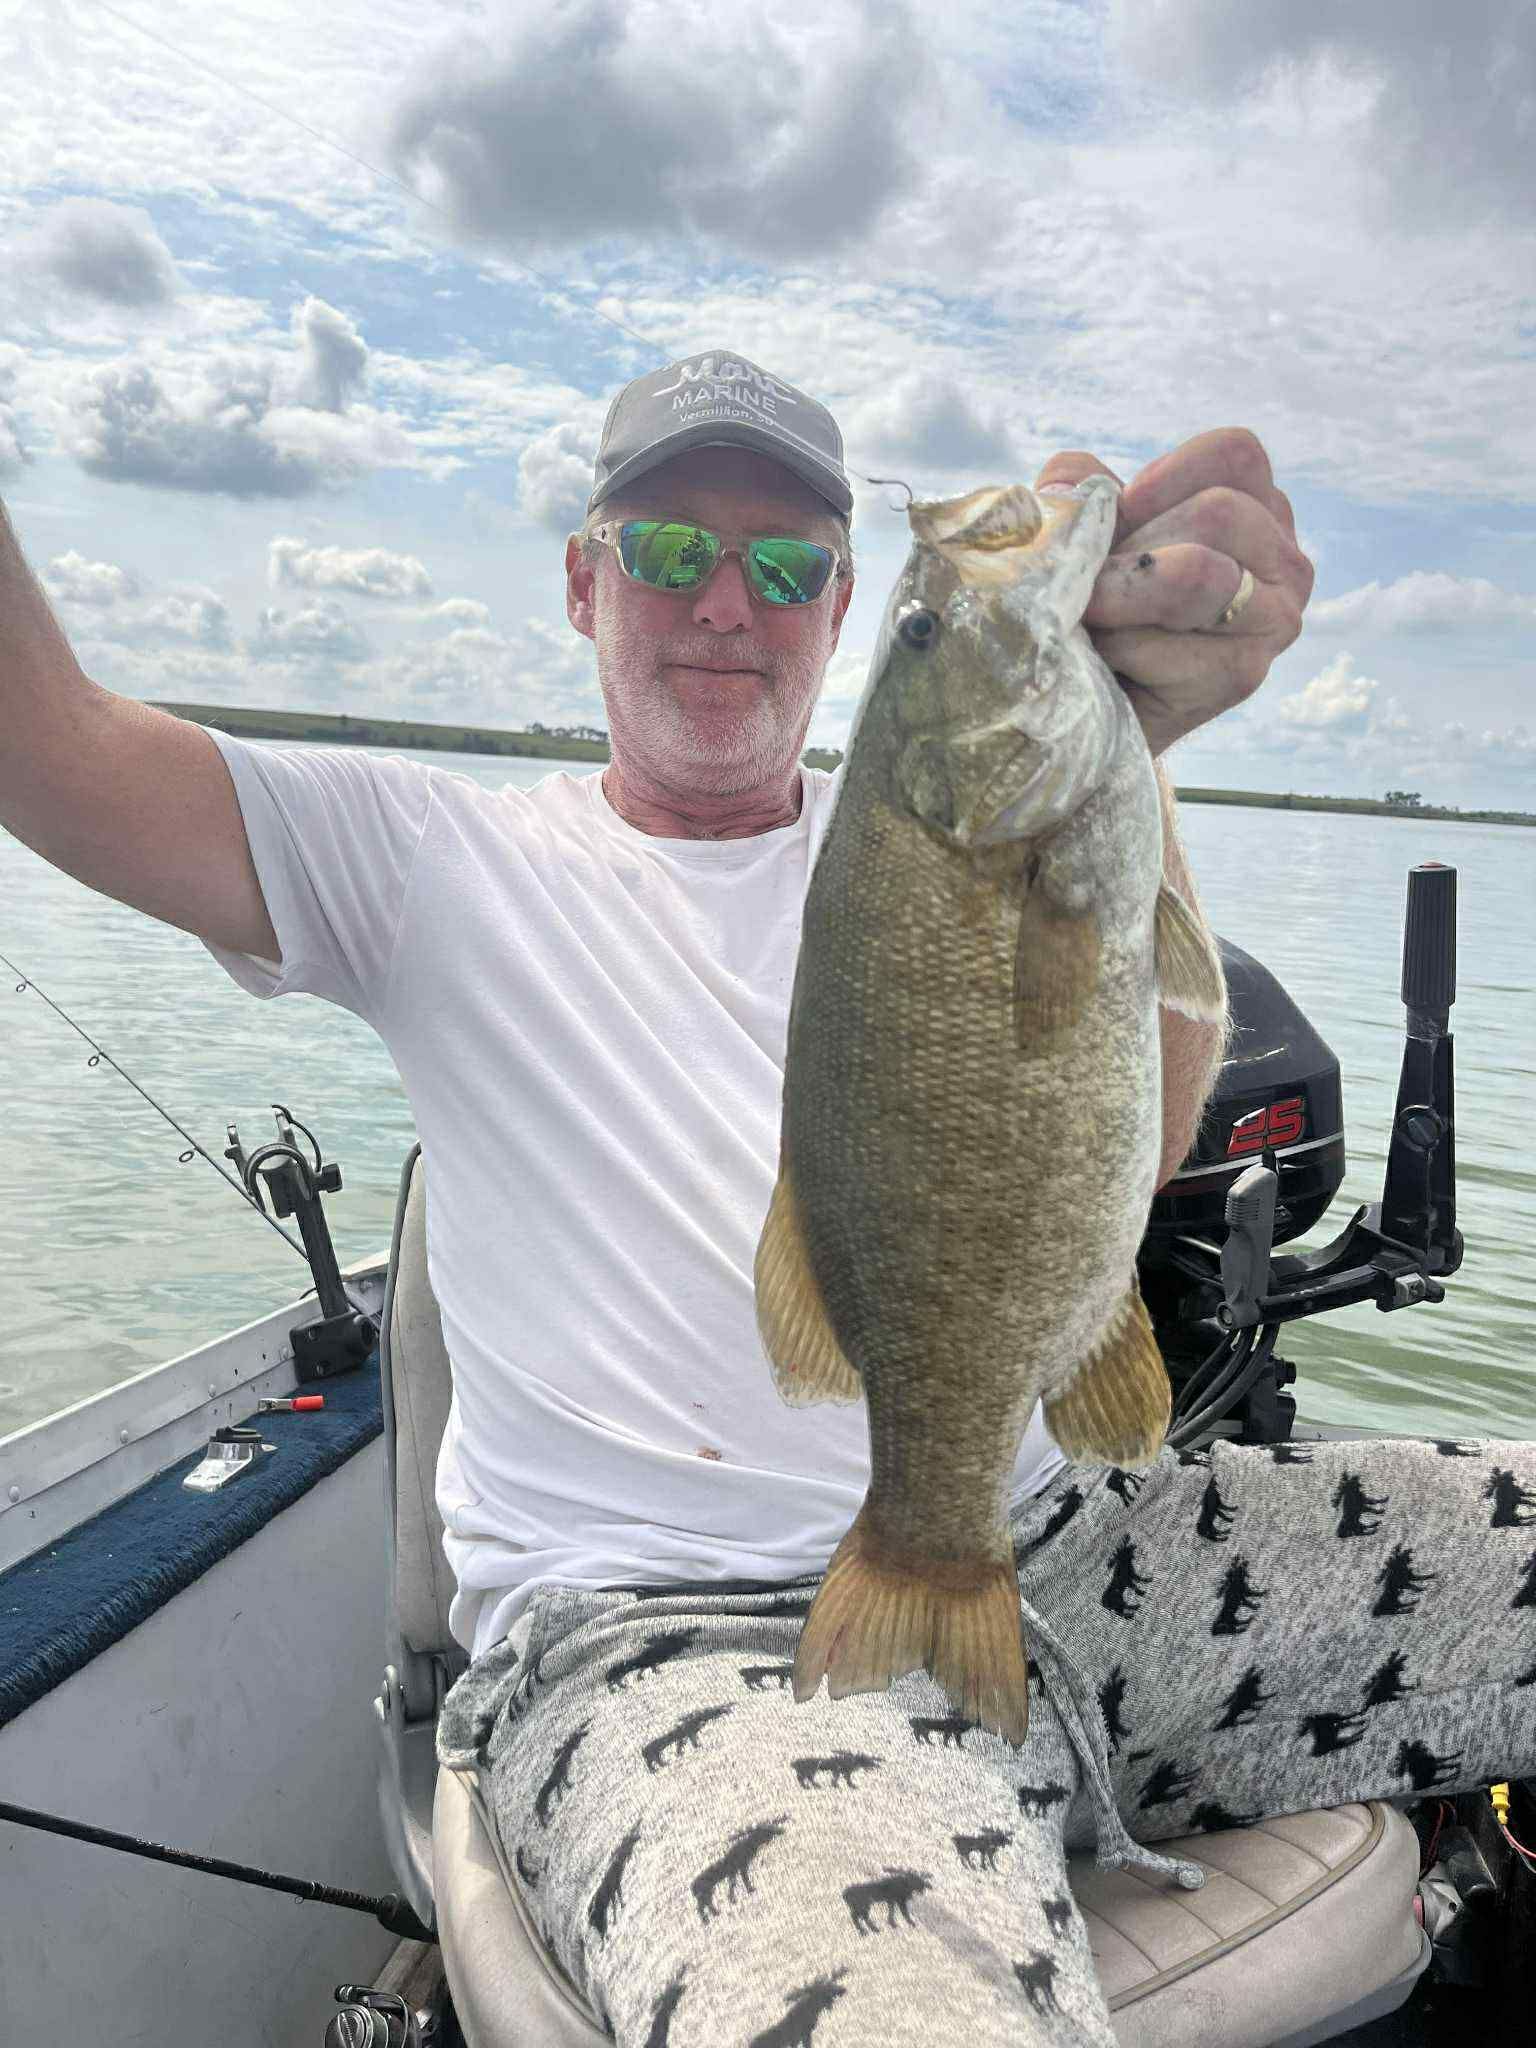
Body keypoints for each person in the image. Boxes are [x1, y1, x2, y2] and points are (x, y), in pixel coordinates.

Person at [2, 347, 1529, 2047]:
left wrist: (1128, 743)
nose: (728, 601)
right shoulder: (425, 856)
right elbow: (46, 746)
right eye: (669, 550)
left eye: (789, 563)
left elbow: (1131, 1153)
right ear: (583, 582)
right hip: (665, 1645)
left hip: (1075, 1548)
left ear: (842, 611)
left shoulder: (958, 816)